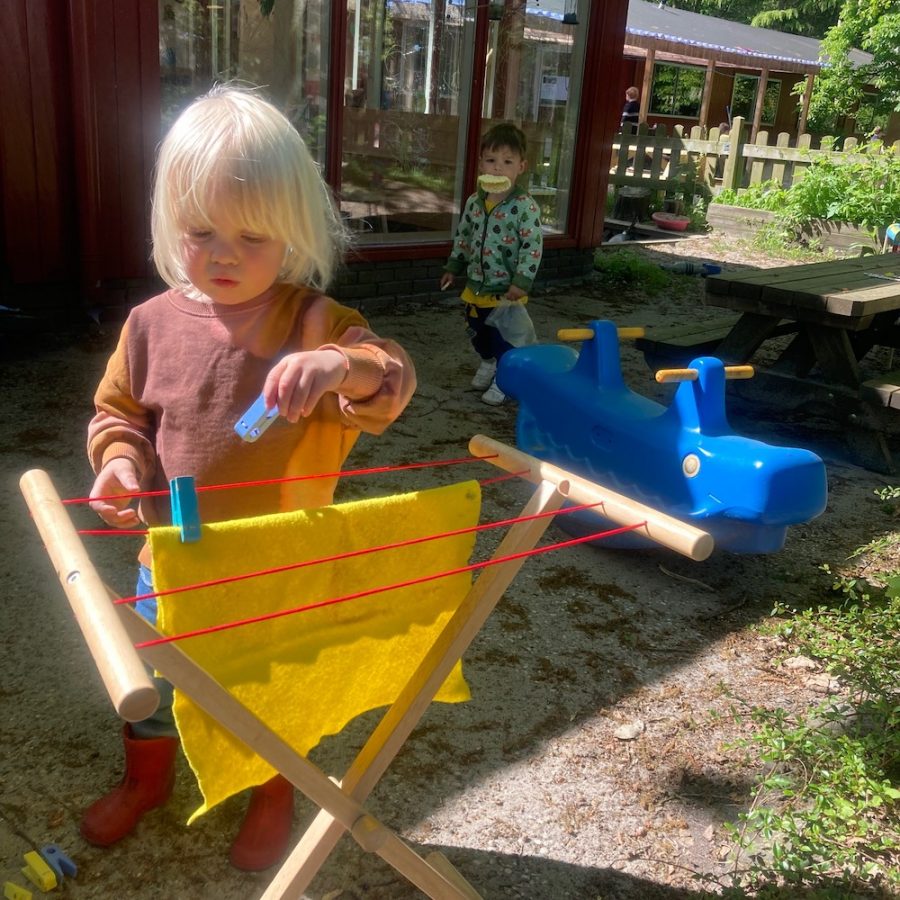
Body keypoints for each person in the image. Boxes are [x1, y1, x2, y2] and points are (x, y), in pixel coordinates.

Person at [83, 86, 416, 871]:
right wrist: (122, 464)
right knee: (154, 682)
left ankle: (274, 790)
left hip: (277, 569)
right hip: (171, 560)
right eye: (200, 231)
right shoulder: (149, 325)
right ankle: (147, 779)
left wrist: (343, 365)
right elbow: (117, 414)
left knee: (265, 693)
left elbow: (392, 377)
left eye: (253, 235)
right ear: (171, 223)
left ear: (294, 232)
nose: (224, 254)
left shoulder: (312, 323)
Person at [439, 123, 542, 406]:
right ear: (481, 163)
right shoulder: (475, 202)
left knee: (503, 337)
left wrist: (521, 282)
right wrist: (453, 267)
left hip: (506, 291)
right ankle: (487, 362)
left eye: (507, 162)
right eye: (491, 160)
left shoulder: (525, 207)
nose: (498, 168)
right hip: (476, 285)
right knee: (476, 329)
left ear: (520, 166)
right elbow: (464, 236)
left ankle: (503, 377)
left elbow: (532, 247)